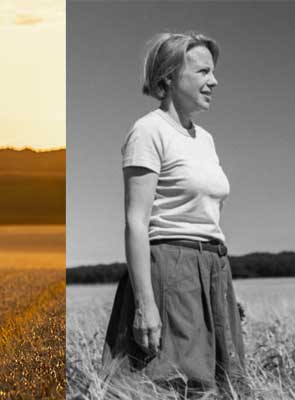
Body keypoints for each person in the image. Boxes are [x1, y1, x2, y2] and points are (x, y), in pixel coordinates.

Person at [103, 31, 245, 397]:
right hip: (170, 269)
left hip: (213, 267)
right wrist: (146, 304)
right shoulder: (148, 131)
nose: (214, 81)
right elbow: (136, 221)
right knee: (174, 383)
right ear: (168, 76)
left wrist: (221, 287)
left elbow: (208, 217)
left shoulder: (206, 139)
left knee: (221, 387)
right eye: (202, 72)